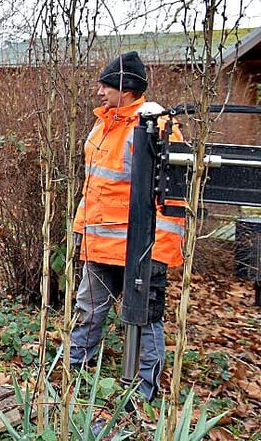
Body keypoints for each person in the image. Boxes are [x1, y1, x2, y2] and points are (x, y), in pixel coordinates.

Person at [70, 51, 185, 402]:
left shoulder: (156, 125)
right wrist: (81, 229)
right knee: (88, 309)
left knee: (145, 318)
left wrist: (160, 249)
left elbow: (171, 194)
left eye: (107, 84)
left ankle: (144, 394)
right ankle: (73, 373)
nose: (100, 91)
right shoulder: (103, 124)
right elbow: (95, 185)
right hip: (103, 243)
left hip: (141, 248)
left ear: (128, 88)